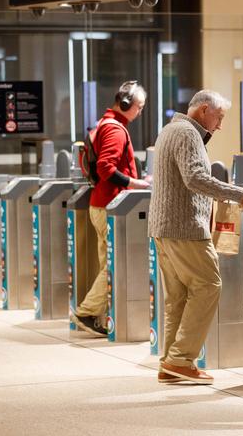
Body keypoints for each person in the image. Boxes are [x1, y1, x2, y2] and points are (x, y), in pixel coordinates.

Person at [148, 90, 243, 385]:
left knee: (178, 298)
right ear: (204, 110)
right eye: (219, 117)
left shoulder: (169, 130)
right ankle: (181, 358)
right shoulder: (188, 134)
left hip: (163, 228)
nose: (220, 125)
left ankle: (171, 363)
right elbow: (195, 178)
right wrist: (238, 194)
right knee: (209, 285)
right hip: (185, 227)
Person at [72, 80, 151, 336]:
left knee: (108, 260)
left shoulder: (105, 124)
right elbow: (106, 168)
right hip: (111, 205)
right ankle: (86, 312)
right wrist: (137, 183)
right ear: (127, 104)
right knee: (113, 264)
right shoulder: (116, 130)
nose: (140, 112)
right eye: (139, 106)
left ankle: (99, 313)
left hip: (102, 204)